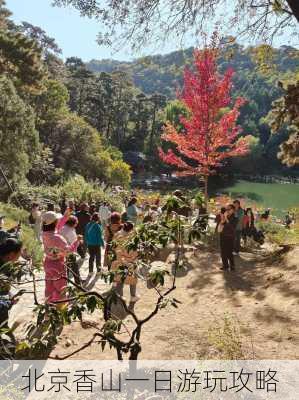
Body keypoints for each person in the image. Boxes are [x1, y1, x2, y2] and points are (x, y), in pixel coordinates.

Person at [42, 209, 81, 306]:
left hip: (47, 263)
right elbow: (69, 251)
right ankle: (61, 308)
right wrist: (77, 241)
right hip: (58, 265)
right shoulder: (58, 238)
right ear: (55, 223)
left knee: (49, 287)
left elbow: (57, 227)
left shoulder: (44, 234)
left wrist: (65, 217)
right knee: (61, 288)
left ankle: (49, 306)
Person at [111, 222, 139, 303]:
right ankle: (133, 296)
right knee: (133, 280)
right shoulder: (133, 235)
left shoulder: (117, 234)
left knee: (120, 279)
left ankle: (120, 297)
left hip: (120, 260)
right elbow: (136, 249)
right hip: (131, 261)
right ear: (131, 229)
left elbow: (114, 247)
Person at [0, 239, 24, 332]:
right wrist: (10, 301)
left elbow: (5, 286)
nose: (20, 255)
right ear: (11, 254)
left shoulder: (7, 264)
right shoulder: (5, 269)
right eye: (19, 252)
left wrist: (10, 294)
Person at [60, 215, 82, 285]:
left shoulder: (63, 228)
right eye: (76, 223)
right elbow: (74, 242)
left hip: (61, 250)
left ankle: (65, 283)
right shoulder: (70, 230)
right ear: (73, 223)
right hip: (69, 251)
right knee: (74, 267)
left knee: (66, 268)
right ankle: (78, 283)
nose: (76, 225)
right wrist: (79, 241)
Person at [218, 204, 238, 271]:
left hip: (230, 237)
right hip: (223, 236)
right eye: (227, 209)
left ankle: (232, 266)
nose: (227, 211)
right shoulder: (225, 216)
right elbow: (221, 225)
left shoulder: (235, 218)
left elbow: (232, 227)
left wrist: (226, 218)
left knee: (229, 252)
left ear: (233, 210)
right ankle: (225, 266)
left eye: (229, 209)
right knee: (223, 252)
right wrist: (222, 219)